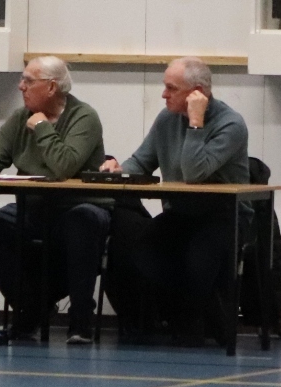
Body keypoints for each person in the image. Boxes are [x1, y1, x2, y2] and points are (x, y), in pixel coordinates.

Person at [0, 56, 107, 343]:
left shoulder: (84, 117)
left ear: (51, 87)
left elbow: (64, 166)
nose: (21, 86)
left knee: (83, 222)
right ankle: (32, 307)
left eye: (28, 81)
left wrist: (42, 127)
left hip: (78, 206)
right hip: (34, 206)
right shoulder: (19, 118)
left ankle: (80, 321)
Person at [101, 57, 249, 344]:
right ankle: (184, 313)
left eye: (171, 88)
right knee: (141, 250)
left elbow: (194, 173)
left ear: (197, 93)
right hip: (182, 213)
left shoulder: (231, 124)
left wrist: (195, 123)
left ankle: (195, 322)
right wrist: (119, 170)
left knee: (198, 258)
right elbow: (141, 161)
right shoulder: (166, 119)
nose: (163, 94)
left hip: (225, 216)